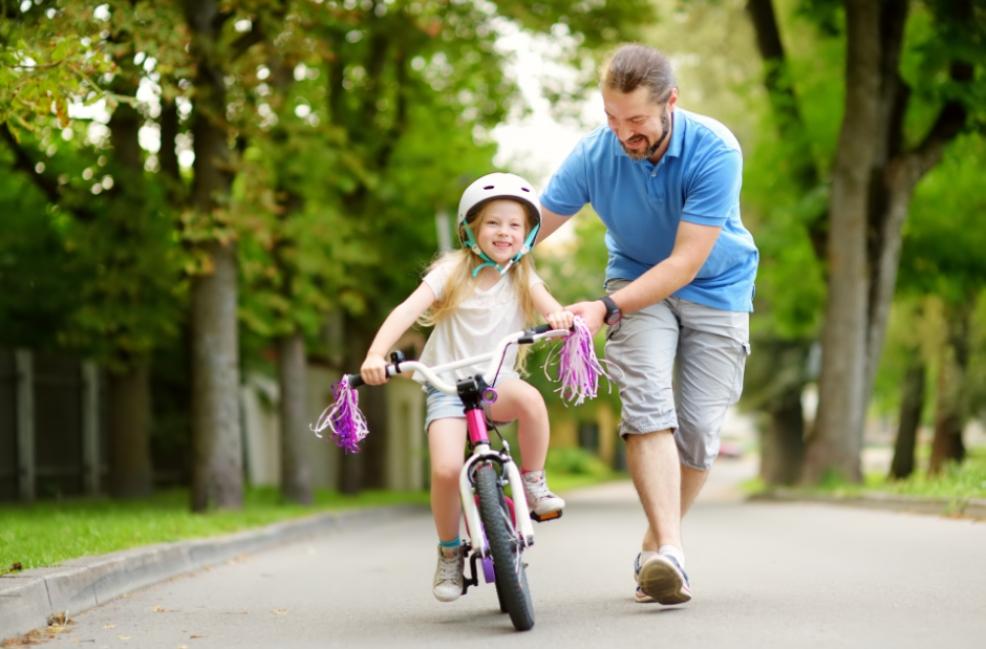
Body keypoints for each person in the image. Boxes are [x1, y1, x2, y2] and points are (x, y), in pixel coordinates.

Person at [537, 43, 758, 605]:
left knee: (701, 431)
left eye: (635, 120)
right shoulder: (594, 154)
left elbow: (686, 262)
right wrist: (478, 250)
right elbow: (530, 226)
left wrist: (604, 310)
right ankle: (671, 555)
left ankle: (657, 545)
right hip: (635, 286)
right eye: (611, 117)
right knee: (647, 406)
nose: (622, 133)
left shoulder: (714, 149)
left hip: (716, 286)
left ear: (671, 104)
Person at [360, 172, 574, 603]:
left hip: (497, 383)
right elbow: (406, 310)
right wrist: (375, 355)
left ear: (528, 233)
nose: (504, 232)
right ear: (472, 228)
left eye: (515, 225)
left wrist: (561, 319)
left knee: (531, 401)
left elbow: (552, 309)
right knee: (443, 470)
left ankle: (533, 482)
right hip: (446, 388)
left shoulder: (522, 275)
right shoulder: (451, 270)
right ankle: (449, 552)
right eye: (494, 222)